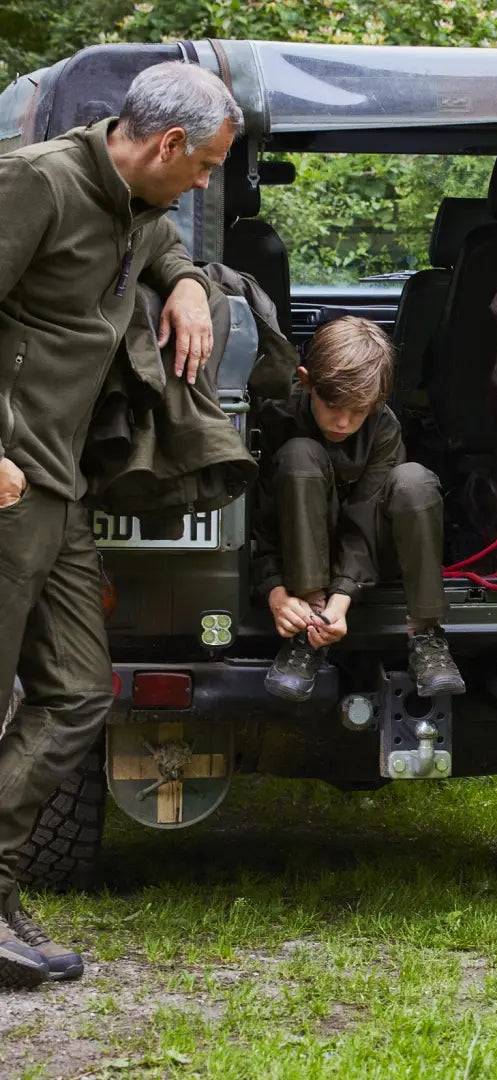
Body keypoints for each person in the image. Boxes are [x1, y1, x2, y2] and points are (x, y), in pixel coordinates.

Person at [0, 61, 242, 989]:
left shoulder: (136, 201)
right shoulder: (39, 183)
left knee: (75, 694)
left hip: (58, 487)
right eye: (206, 165)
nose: (205, 183)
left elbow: (159, 236)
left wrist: (185, 280)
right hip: (8, 480)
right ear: (169, 143)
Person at [254, 316, 465, 703]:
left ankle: (426, 635)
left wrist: (341, 599)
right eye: (333, 405)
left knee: (414, 481)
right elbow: (261, 521)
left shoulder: (384, 426)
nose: (344, 421)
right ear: (306, 380)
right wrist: (276, 592)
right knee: (300, 455)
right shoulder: (278, 417)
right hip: (297, 560)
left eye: (359, 410)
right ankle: (309, 630)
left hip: (368, 554)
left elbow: (365, 520)